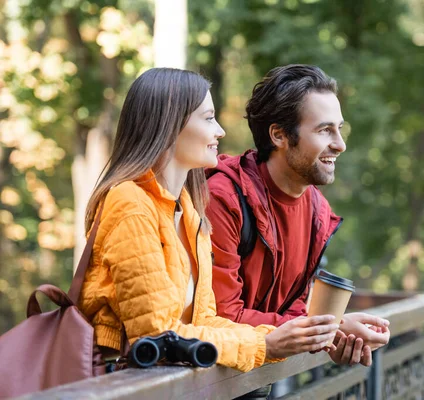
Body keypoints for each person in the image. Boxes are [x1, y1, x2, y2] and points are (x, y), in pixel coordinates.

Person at [78, 67, 341, 373]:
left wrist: (278, 339)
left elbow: (204, 321)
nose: (220, 131)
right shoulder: (130, 202)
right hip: (123, 387)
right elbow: (155, 336)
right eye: (207, 118)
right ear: (169, 125)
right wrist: (265, 345)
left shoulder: (189, 211)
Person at [207, 64, 390, 366]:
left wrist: (333, 333)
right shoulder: (223, 198)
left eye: (339, 129)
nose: (340, 144)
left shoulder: (318, 210)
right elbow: (221, 315)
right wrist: (332, 328)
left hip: (260, 376)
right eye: (324, 130)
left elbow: (291, 311)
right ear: (279, 135)